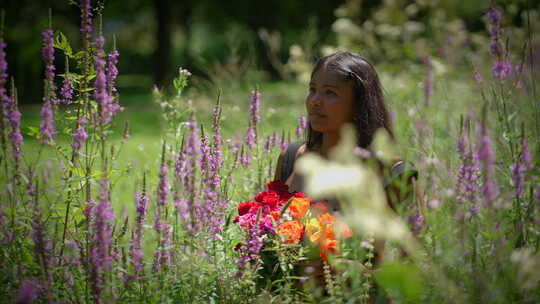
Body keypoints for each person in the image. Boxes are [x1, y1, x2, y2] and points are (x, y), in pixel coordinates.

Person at [273, 51, 421, 298]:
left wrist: (360, 275)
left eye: (330, 93)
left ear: (359, 105)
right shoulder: (291, 159)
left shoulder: (395, 174)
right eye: (313, 89)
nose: (315, 101)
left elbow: (417, 265)